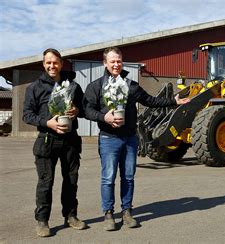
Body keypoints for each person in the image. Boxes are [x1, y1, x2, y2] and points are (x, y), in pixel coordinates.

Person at [83, 47, 190, 231]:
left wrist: (173, 101)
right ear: (105, 63)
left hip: (130, 139)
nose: (116, 64)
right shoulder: (96, 86)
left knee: (128, 177)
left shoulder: (130, 86)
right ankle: (108, 213)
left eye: (119, 61)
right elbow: (87, 110)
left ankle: (127, 212)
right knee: (108, 178)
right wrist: (104, 117)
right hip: (109, 139)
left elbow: (150, 100)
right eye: (112, 61)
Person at [23, 48, 87, 237]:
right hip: (46, 140)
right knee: (46, 182)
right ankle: (42, 221)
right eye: (48, 62)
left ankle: (70, 216)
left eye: (55, 62)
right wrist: (47, 122)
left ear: (61, 63)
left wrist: (76, 111)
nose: (52, 66)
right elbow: (27, 115)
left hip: (70, 140)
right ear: (43, 64)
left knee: (71, 180)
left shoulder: (73, 86)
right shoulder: (34, 87)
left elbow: (84, 109)